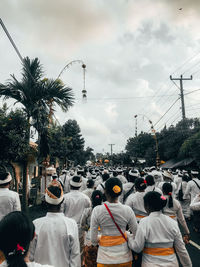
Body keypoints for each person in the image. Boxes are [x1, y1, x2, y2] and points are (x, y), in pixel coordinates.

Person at [128, 191, 192, 267]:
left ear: (147, 206)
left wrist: (129, 237)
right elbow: (181, 250)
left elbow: (137, 248)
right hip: (172, 263)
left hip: (150, 264)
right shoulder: (173, 223)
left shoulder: (144, 222)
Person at [29, 180, 80, 267]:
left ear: (45, 201)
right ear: (62, 201)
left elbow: (30, 255)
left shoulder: (36, 224)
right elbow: (75, 256)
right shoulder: (71, 224)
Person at [91, 177, 138, 266]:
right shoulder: (127, 210)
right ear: (120, 191)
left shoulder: (97, 210)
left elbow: (93, 240)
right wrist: (127, 235)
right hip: (124, 258)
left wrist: (104, 237)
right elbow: (136, 233)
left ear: (105, 191)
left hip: (104, 259)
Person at [61, 176, 91, 264]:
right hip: (80, 229)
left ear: (70, 185)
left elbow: (61, 212)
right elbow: (88, 215)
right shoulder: (86, 198)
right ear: (80, 185)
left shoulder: (65, 198)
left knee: (66, 250)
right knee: (79, 251)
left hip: (66, 228)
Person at [81, 190, 103, 267]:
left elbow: (82, 224)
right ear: (102, 199)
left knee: (89, 262)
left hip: (89, 240)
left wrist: (89, 228)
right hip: (103, 241)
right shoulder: (105, 211)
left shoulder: (88, 211)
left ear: (92, 199)